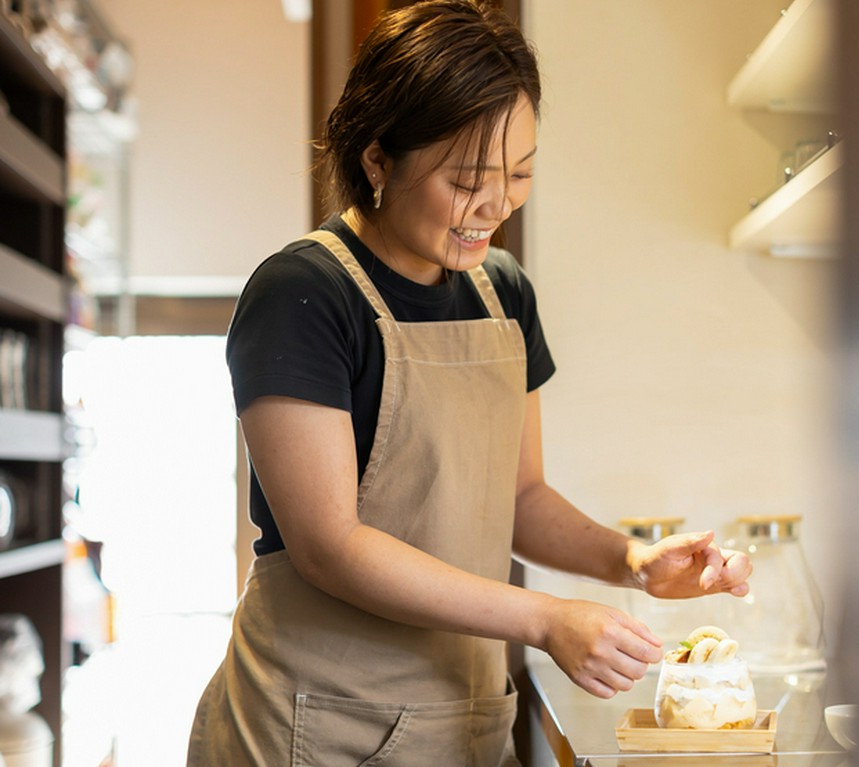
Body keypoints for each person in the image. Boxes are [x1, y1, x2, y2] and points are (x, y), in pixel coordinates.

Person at [186, 1, 752, 765]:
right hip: (313, 726)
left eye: (520, 173)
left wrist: (634, 561)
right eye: (467, 179)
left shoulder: (504, 291)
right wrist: (545, 617)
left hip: (463, 717)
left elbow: (520, 499)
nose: (497, 205)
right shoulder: (302, 294)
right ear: (378, 159)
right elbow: (331, 545)